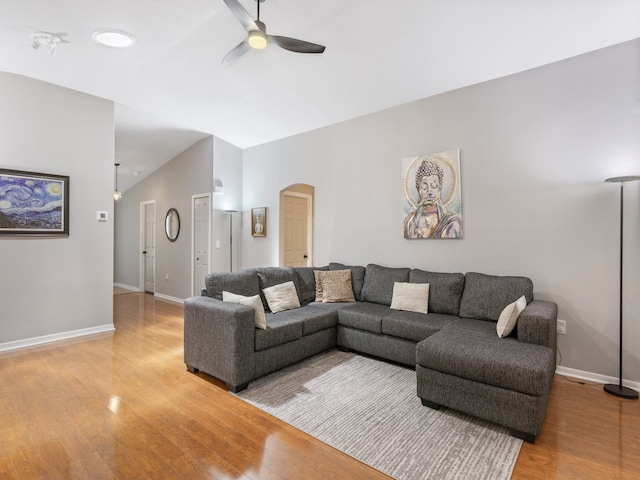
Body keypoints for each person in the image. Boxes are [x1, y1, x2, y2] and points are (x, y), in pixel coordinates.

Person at [404, 159, 461, 238]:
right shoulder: (410, 221)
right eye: (424, 187)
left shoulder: (450, 221)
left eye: (434, 186)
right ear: (418, 189)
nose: (429, 191)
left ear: (439, 188)